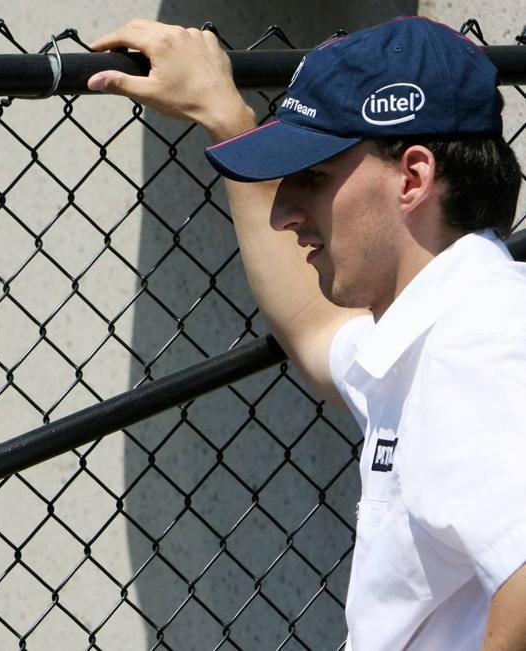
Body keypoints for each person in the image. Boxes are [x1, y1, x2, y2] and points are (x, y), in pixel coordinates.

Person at [88, 15, 526, 651]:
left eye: (314, 176)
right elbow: (316, 328)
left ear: (413, 178)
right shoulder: (430, 331)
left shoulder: (480, 340)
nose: (285, 209)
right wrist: (224, 114)